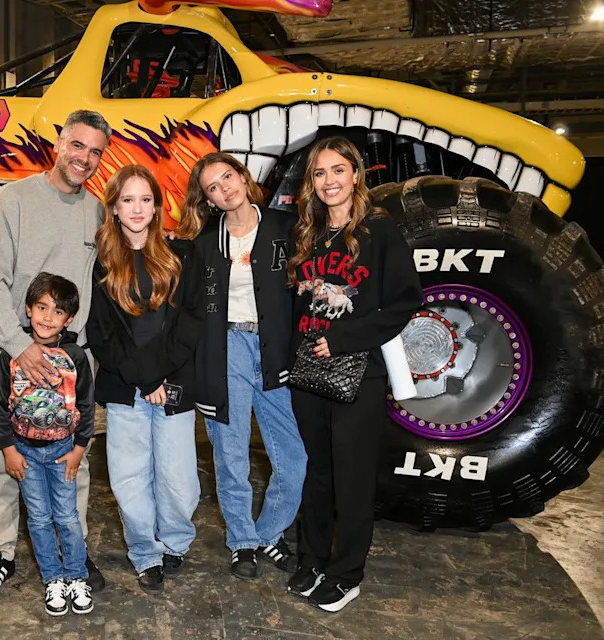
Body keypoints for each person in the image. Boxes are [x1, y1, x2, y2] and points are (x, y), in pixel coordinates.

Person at [0, 110, 111, 605]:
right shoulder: (14, 201)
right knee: (6, 458)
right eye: (77, 145)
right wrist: (20, 346)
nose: (85, 158)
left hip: (71, 362)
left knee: (75, 462)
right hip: (14, 354)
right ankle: (1, 552)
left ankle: (74, 553)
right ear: (58, 143)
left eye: (95, 151)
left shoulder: (97, 213)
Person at [286, 137, 422, 612]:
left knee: (352, 477)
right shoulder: (310, 235)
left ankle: (347, 574)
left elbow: (405, 303)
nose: (329, 182)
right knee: (316, 473)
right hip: (308, 374)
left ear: (356, 175)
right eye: (320, 173)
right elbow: (298, 305)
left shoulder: (378, 231)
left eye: (338, 170)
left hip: (356, 372)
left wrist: (342, 339)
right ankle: (314, 558)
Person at [178, 152, 307, 581]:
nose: (224, 188)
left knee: (293, 458)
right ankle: (242, 541)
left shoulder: (285, 227)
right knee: (231, 454)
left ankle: (269, 532)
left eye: (227, 177)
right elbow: (190, 310)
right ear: (208, 199)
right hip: (225, 348)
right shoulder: (202, 244)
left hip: (274, 350)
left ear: (243, 177)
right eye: (213, 186)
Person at [86, 165, 205, 594]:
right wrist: (142, 379)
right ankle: (145, 552)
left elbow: (191, 322)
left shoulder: (182, 255)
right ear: (115, 208)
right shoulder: (100, 262)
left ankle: (175, 540)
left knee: (179, 480)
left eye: (146, 199)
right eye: (128, 200)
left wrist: (157, 375)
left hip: (173, 382)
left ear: (157, 206)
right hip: (126, 388)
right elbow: (101, 333)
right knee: (129, 477)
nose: (137, 208)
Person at [0, 273, 95, 616]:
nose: (48, 317)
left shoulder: (76, 355)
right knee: (37, 518)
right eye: (42, 307)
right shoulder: (13, 354)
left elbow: (86, 405)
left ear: (69, 318)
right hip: (25, 454)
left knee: (67, 517)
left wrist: (78, 450)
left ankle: (76, 575)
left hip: (63, 452)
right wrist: (8, 449)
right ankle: (53, 578)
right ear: (28, 309)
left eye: (58, 312)